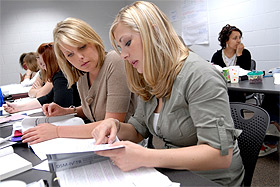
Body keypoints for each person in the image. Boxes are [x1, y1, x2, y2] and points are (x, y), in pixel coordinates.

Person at [91, 1, 244, 186]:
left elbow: (219, 155)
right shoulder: (150, 76)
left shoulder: (199, 74)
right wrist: (113, 125)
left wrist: (146, 156)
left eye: (128, 43)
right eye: (120, 48)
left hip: (211, 179)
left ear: (154, 33)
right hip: (172, 174)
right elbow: (138, 129)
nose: (123, 55)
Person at [21, 17, 137, 145]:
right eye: (70, 54)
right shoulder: (83, 74)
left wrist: (57, 131)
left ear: (93, 40)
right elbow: (94, 110)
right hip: (103, 144)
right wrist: (67, 111)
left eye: (82, 47)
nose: (80, 57)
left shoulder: (114, 61)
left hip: (127, 146)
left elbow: (110, 124)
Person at [4, 43, 80, 113]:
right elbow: (47, 98)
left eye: (43, 65)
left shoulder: (60, 75)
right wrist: (18, 107)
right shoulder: (60, 74)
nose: (43, 68)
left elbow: (61, 105)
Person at [211, 24, 251, 102]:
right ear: (226, 40)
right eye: (235, 38)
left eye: (240, 38)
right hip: (223, 88)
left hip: (240, 89)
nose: (238, 41)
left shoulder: (245, 53)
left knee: (234, 94)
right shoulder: (217, 56)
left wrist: (239, 55)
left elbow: (244, 73)